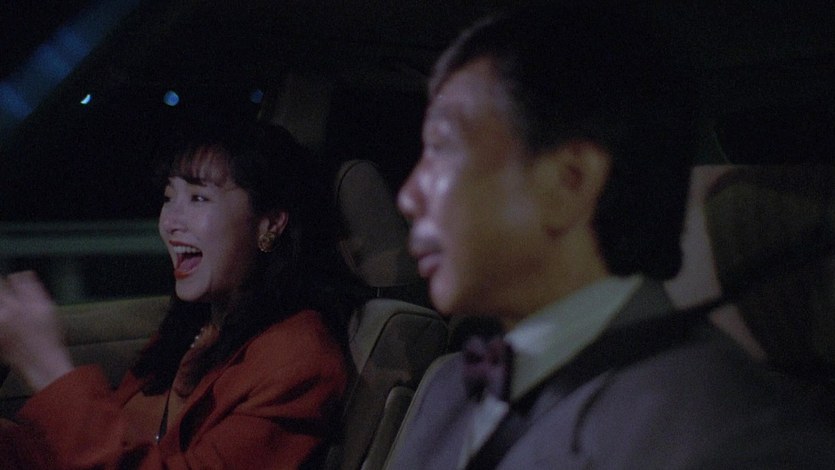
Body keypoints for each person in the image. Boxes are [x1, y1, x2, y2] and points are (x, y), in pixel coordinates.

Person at [385, 4, 835, 469]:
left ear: (570, 183)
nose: (407, 196)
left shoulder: (729, 435)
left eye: (441, 147)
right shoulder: (448, 390)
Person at [0, 119, 350, 469]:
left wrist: (48, 368)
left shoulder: (297, 360)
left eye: (198, 198)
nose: (169, 222)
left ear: (270, 223)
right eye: (169, 198)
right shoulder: (196, 326)